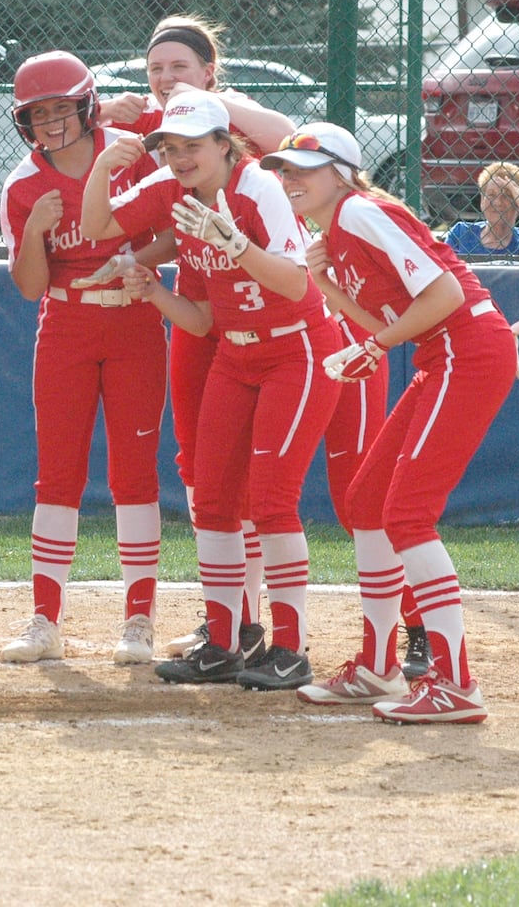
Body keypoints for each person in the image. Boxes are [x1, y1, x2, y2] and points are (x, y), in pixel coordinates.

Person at [82, 90, 343, 691]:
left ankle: (290, 647)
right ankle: (223, 644)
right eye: (170, 147)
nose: (179, 157)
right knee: (213, 502)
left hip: (296, 349)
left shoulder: (259, 187)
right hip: (236, 352)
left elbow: (297, 281)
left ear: (224, 145)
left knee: (273, 501)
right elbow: (195, 316)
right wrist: (152, 288)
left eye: (192, 146)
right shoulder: (180, 195)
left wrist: (233, 244)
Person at [267, 124, 519, 723]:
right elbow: (390, 311)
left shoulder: (358, 212)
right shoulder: (339, 229)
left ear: (343, 173)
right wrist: (325, 282)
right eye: (285, 169)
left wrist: (375, 344)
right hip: (445, 355)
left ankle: (456, 683)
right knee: (367, 501)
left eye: (305, 168)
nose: (290, 179)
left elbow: (445, 300)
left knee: (406, 513)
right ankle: (378, 666)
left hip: (464, 351)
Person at [0, 52, 167, 665]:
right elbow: (26, 285)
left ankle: (139, 617)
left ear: (86, 104)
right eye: (38, 114)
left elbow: (168, 229)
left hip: (134, 319)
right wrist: (39, 232)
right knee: (59, 473)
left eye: (61, 109)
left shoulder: (131, 152)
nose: (50, 123)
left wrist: (140, 264)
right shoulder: (24, 184)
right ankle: (45, 617)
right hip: (66, 323)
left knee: (134, 473)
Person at [97, 14, 295, 154]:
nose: (166, 77)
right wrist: (105, 109)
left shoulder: (229, 104)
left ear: (207, 73)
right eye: (156, 68)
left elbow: (287, 139)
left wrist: (201, 98)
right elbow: (70, 131)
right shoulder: (147, 111)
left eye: (179, 66)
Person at [442, 161, 519, 257]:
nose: (497, 202)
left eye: (507, 196)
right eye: (491, 195)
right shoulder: (461, 233)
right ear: (482, 199)